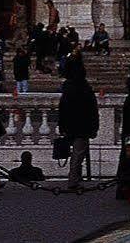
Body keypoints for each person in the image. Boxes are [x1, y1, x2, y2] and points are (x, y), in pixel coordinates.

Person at [58, 57, 100, 186]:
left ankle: (75, 177)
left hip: (70, 124)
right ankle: (73, 179)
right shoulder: (85, 89)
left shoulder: (67, 89)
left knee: (77, 152)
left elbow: (62, 109)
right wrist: (94, 127)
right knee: (79, 153)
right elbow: (92, 109)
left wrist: (62, 126)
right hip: (83, 125)